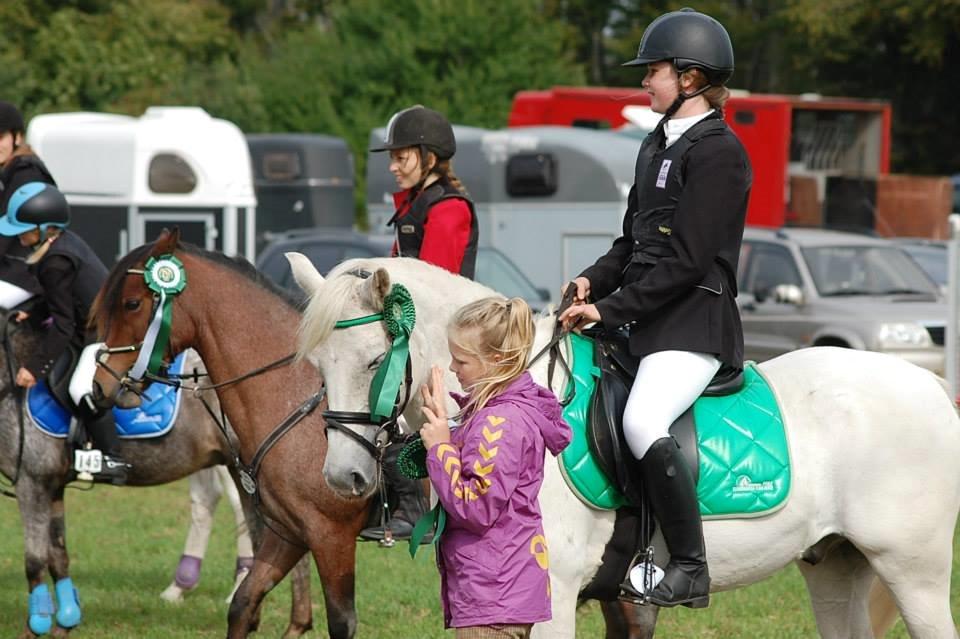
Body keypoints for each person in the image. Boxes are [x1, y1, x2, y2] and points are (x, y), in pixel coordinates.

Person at [557, 8, 752, 609]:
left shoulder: (720, 153)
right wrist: (592, 282)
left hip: (693, 323)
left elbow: (690, 261)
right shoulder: (654, 143)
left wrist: (610, 313)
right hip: (646, 317)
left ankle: (690, 565)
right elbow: (631, 243)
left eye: (654, 72)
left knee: (643, 420)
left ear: (690, 79)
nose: (644, 83)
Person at [419, 297, 571, 638]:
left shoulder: (500, 424)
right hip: (497, 588)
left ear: (497, 361)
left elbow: (476, 507)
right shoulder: (493, 415)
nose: (454, 368)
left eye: (462, 360)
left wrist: (441, 448)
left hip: (494, 594)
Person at [362, 104, 480, 541]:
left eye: (402, 156)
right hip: (413, 326)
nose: (393, 166)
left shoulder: (448, 209)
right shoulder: (413, 203)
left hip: (442, 333)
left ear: (429, 157)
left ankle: (415, 506)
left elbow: (430, 285)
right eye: (391, 157)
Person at [0, 181, 130, 484]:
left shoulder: (55, 260)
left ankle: (113, 457)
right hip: (89, 325)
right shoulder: (60, 244)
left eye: (25, 229)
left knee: (79, 387)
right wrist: (34, 311)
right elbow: (62, 297)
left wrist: (34, 367)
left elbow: (64, 324)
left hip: (104, 333)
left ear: (46, 228)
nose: (20, 236)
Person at [0, 101, 55, 310]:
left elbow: (4, 237)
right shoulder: (9, 173)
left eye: (0, 138)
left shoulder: (26, 176)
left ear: (17, 137)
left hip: (26, 272)